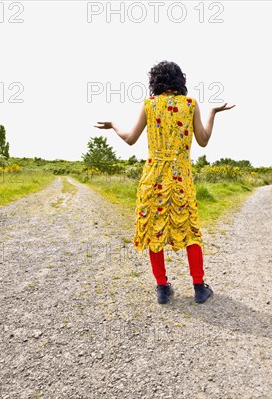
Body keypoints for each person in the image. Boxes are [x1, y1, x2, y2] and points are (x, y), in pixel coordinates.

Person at [94, 60, 235, 304]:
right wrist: (212, 113)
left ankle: (162, 288)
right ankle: (199, 287)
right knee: (190, 230)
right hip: (180, 177)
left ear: (155, 81)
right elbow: (203, 141)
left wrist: (114, 125)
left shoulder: (149, 105)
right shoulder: (190, 105)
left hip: (154, 177)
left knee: (154, 231)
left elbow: (129, 139)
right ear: (180, 80)